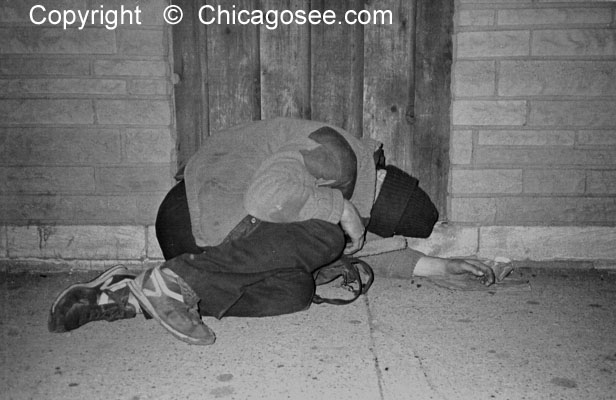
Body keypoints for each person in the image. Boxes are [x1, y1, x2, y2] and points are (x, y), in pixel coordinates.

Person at [48, 118, 495, 345]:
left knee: (296, 292)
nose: (365, 223)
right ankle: (177, 280)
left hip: (219, 239)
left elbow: (370, 249)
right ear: (376, 185)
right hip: (195, 214)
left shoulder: (352, 192)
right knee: (324, 237)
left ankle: (127, 296)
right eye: (370, 215)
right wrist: (340, 209)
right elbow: (266, 197)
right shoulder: (335, 155)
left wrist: (439, 267)